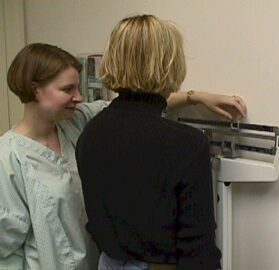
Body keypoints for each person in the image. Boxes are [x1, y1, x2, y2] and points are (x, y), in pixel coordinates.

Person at [0, 38, 245, 270]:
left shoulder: (77, 122)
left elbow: (135, 108)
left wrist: (196, 97)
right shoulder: (10, 158)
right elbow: (6, 248)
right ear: (36, 90)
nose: (79, 96)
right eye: (68, 89)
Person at [75, 15, 246, 270]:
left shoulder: (91, 132)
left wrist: (195, 97)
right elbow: (197, 249)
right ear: (171, 63)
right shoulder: (186, 144)